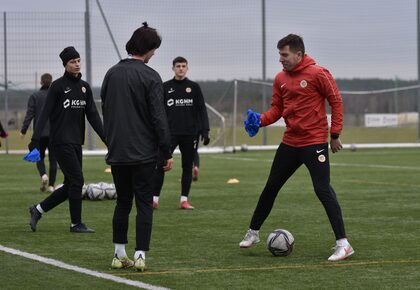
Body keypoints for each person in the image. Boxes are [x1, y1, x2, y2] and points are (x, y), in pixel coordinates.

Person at [239, 34, 354, 262]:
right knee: (271, 185)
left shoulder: (318, 73)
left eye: (284, 55)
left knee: (322, 190)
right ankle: (253, 232)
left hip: (314, 142)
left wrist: (335, 134)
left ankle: (343, 244)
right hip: (290, 142)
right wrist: (260, 120)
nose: (281, 59)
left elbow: (336, 101)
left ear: (299, 54)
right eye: (279, 55)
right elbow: (277, 109)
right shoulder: (280, 78)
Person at [101, 22, 173, 272]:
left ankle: (118, 254)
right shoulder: (151, 76)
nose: (155, 54)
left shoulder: (111, 73)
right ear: (149, 48)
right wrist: (166, 151)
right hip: (143, 153)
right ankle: (140, 254)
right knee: (144, 203)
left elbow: (106, 112)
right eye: (154, 49)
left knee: (122, 202)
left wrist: (112, 142)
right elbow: (158, 118)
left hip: (118, 151)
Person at [28, 46, 106, 234]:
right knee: (77, 179)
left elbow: (94, 117)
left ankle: (37, 210)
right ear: (65, 64)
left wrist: (108, 140)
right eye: (73, 62)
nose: (77, 64)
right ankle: (75, 224)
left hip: (75, 142)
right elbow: (44, 114)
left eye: (78, 61)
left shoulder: (84, 87)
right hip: (60, 142)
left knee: (72, 183)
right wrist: (35, 140)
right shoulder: (57, 86)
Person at [152, 56, 210, 210]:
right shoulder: (165, 87)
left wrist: (205, 130)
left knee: (187, 167)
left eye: (184, 66)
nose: (181, 68)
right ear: (173, 68)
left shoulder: (194, 87)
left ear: (187, 68)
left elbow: (201, 110)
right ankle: (154, 200)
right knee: (161, 164)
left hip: (190, 134)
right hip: (169, 134)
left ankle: (184, 200)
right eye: (178, 66)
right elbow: (158, 111)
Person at [21, 73, 57, 193]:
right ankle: (51, 186)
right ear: (51, 82)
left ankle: (43, 175)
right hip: (54, 133)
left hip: (39, 134)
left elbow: (29, 115)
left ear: (41, 82)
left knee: (38, 157)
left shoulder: (35, 96)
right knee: (53, 159)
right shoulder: (56, 96)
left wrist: (23, 130)